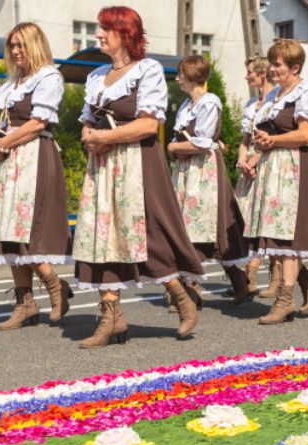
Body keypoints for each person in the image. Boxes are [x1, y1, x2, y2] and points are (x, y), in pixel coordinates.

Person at [74, 6, 205, 347]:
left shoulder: (146, 70)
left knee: (148, 234)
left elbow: (149, 123)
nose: (98, 35)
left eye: (105, 30)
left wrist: (104, 138)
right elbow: (88, 121)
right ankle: (111, 317)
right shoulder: (97, 76)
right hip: (102, 166)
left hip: (137, 162)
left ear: (126, 34)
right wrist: (90, 137)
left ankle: (181, 298)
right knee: (101, 236)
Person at [0, 23, 74, 331]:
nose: (15, 51)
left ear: (35, 45)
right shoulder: (12, 83)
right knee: (8, 230)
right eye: (11, 46)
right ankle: (25, 304)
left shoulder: (48, 77)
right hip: (10, 162)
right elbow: (8, 125)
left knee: (27, 231)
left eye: (21, 45)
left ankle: (54, 285)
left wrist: (3, 143)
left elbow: (38, 123)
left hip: (34, 157)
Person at [247, 39, 308, 323]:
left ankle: (284, 301)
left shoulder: (307, 92)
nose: (272, 69)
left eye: (277, 64)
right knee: (277, 233)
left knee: (289, 237)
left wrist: (272, 139)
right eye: (272, 63)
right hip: (274, 166)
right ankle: (306, 281)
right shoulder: (275, 95)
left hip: (295, 166)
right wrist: (260, 145)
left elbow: (305, 134)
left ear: (295, 67)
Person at [168, 55, 254, 304]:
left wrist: (175, 148)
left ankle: (192, 288)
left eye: (181, 74)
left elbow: (203, 142)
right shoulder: (186, 105)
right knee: (187, 222)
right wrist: (178, 147)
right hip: (186, 168)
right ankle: (236, 283)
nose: (177, 79)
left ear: (193, 76)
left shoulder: (209, 102)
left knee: (205, 221)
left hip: (203, 169)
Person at [237, 56, 276, 298]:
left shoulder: (275, 101)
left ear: (263, 74)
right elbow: (244, 140)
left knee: (266, 220)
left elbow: (274, 138)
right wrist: (243, 160)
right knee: (245, 220)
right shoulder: (252, 103)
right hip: (249, 164)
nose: (247, 76)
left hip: (267, 161)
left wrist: (255, 160)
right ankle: (249, 272)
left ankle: (268, 275)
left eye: (250, 72)